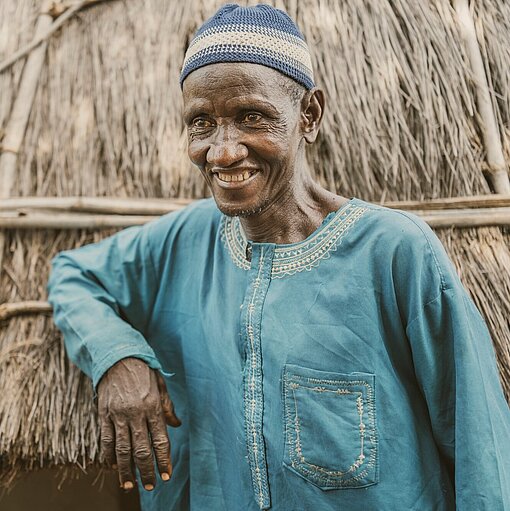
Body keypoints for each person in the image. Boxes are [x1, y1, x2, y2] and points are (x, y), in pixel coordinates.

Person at [47, 4, 510, 510]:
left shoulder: (396, 252)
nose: (222, 152)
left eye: (252, 117)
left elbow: (479, 447)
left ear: (308, 115)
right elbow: (72, 274)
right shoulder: (186, 239)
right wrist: (118, 357)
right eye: (201, 123)